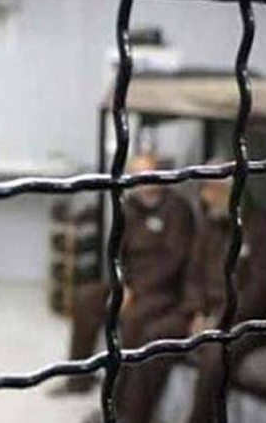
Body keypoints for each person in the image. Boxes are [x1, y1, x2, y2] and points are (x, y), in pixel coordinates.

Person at [59, 153, 195, 423]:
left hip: (161, 291)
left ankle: (118, 406)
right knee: (86, 298)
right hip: (129, 285)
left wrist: (136, 291)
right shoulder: (129, 207)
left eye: (147, 174)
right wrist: (122, 286)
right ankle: (78, 378)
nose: (142, 182)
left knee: (132, 319)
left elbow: (175, 262)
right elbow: (116, 253)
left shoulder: (177, 210)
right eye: (137, 175)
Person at [181, 172, 266, 423]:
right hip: (208, 313)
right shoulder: (210, 225)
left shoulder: (264, 230)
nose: (205, 197)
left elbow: (261, 293)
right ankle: (129, 412)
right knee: (157, 329)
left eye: (210, 189)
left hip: (247, 320)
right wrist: (197, 312)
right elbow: (193, 274)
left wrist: (218, 320)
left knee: (215, 355)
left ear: (229, 191)